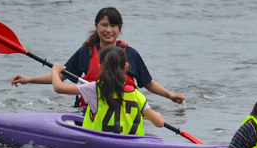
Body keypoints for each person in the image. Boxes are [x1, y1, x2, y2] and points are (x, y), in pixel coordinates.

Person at [10, 7, 185, 107]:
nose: (109, 30)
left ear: (120, 27)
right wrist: (28, 79)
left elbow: (148, 83)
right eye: (104, 25)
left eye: (113, 26)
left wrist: (170, 96)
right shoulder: (85, 52)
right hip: (88, 112)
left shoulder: (130, 54)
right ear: (96, 26)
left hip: (121, 110)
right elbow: (61, 76)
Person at [50, 46, 164, 135]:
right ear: (126, 66)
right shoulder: (137, 94)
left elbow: (59, 88)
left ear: (101, 66)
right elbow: (159, 123)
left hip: (100, 144)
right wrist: (157, 114)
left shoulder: (94, 88)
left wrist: (55, 71)